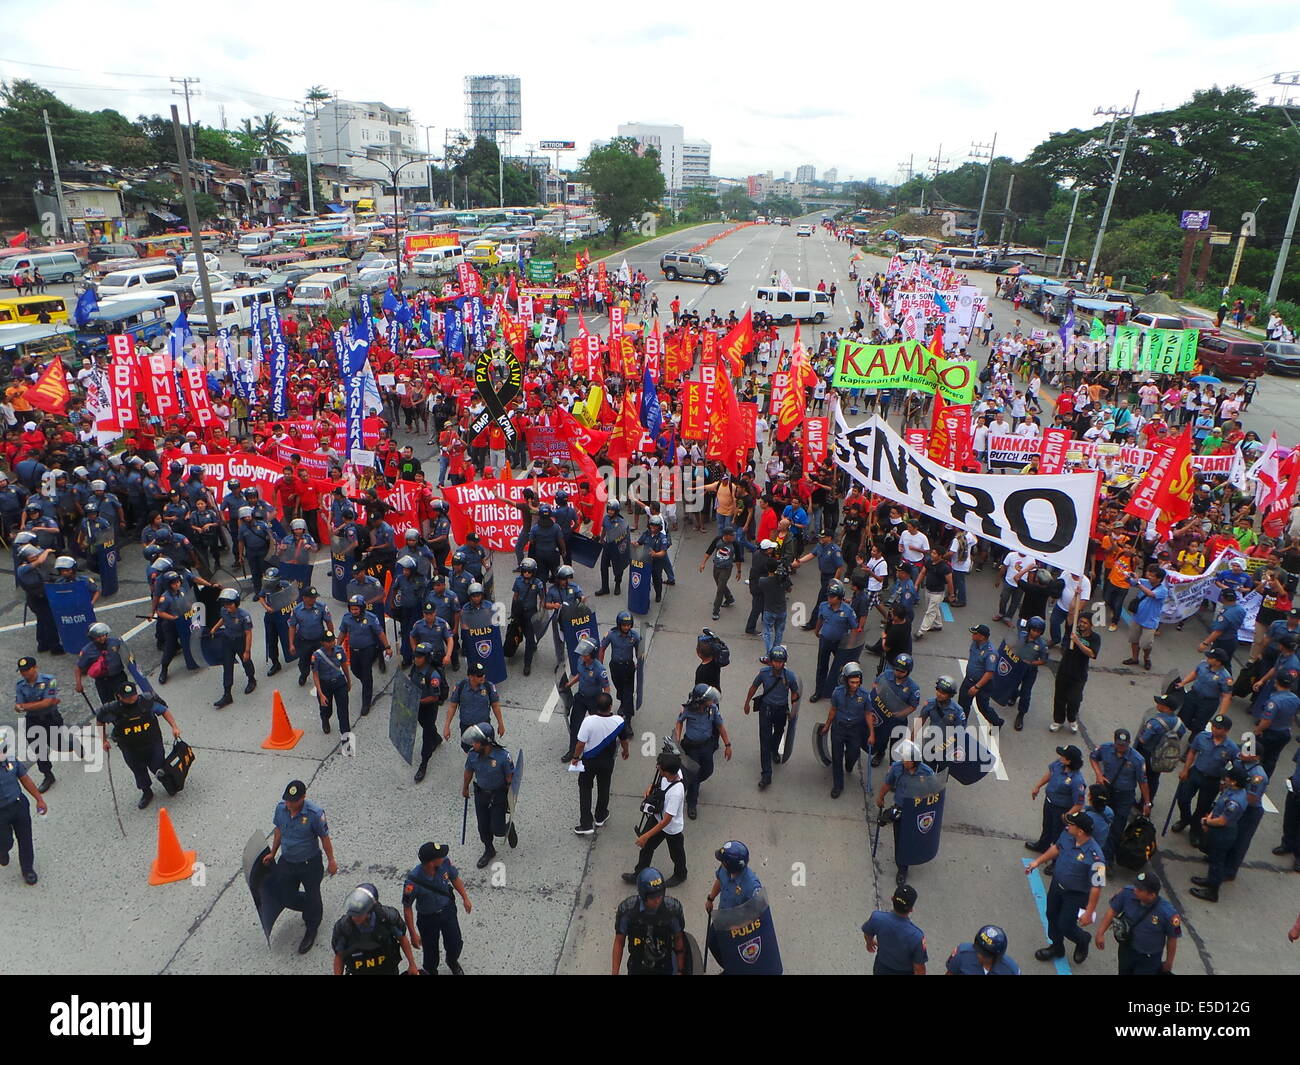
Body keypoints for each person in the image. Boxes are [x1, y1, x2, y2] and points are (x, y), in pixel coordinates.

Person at [262, 779, 337, 955]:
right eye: (287, 800)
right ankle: (312, 907)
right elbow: (279, 830)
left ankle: (312, 925)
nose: (289, 804)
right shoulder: (281, 809)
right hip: (287, 861)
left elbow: (324, 838)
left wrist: (331, 860)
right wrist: (273, 852)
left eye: (293, 801)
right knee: (286, 897)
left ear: (303, 797)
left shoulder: (314, 814)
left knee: (313, 893)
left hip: (309, 863)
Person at [1026, 810, 1105, 965]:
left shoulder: (1097, 858)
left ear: (1080, 831)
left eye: (1071, 824)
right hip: (1057, 886)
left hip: (1075, 894)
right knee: (1051, 914)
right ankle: (1057, 947)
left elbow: (1097, 887)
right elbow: (1057, 848)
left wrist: (1089, 912)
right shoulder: (1068, 834)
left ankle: (1083, 940)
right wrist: (1037, 862)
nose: (1068, 826)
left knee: (1066, 925)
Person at [95, 681, 181, 810]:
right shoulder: (113, 709)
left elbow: (164, 711)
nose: (131, 699)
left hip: (152, 743)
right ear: (119, 696)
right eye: (127, 697)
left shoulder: (147, 702)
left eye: (133, 695)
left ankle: (168, 783)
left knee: (159, 766)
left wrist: (174, 727)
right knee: (138, 770)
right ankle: (147, 792)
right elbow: (100, 720)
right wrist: (103, 740)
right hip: (130, 748)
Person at [402, 842, 472, 975]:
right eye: (440, 856)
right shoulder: (412, 881)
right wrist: (413, 934)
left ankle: (452, 961)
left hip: (447, 911)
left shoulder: (445, 863)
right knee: (430, 952)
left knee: (455, 943)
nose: (444, 856)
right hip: (428, 918)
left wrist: (465, 898)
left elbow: (455, 878)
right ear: (431, 862)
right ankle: (431, 971)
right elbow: (407, 908)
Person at [1171, 714, 1240, 847]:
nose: (1214, 729)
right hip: (1196, 772)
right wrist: (1185, 769)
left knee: (1202, 808)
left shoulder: (1231, 747)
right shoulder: (1202, 737)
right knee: (1183, 798)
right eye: (1213, 726)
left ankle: (1194, 830)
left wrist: (1224, 782)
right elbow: (1192, 751)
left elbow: (1234, 767)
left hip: (1212, 780)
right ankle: (1185, 819)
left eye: (1219, 728)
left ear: (1226, 731)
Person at [1094, 871, 1181, 975]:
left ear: (1152, 895)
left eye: (1140, 889)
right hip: (1127, 949)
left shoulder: (1169, 914)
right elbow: (1112, 911)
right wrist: (1100, 933)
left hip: (1149, 958)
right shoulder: (1126, 893)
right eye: (1136, 886)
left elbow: (1173, 938)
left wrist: (1169, 962)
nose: (1135, 890)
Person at [622, 750, 688, 886]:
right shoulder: (670, 774)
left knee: (676, 854)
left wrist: (645, 836)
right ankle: (639, 874)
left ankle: (680, 874)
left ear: (668, 772)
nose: (657, 767)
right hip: (658, 817)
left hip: (670, 828)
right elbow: (658, 783)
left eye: (660, 767)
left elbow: (667, 821)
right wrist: (650, 787)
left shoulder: (676, 793)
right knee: (646, 848)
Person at [743, 645, 801, 790]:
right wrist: (747, 703)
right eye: (775, 661)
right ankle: (766, 775)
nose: (777, 664)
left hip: (781, 709)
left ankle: (774, 749)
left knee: (779, 732)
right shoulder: (763, 673)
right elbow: (753, 687)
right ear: (770, 661)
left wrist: (793, 708)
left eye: (780, 662)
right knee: (764, 741)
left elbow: (795, 692)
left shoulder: (790, 676)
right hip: (766, 709)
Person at [1189, 766, 1249, 903]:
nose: (1225, 779)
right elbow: (1217, 807)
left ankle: (1212, 892)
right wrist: (1209, 819)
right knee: (1213, 858)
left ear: (1234, 782)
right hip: (1216, 827)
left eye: (1228, 777)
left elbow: (1222, 821)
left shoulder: (1235, 801)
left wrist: (1207, 822)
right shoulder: (1231, 790)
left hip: (1223, 833)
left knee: (1217, 862)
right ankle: (1209, 880)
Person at [572, 692, 630, 834]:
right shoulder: (619, 721)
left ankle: (585, 824)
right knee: (604, 788)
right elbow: (624, 740)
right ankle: (601, 815)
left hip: (588, 762)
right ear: (610, 706)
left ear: (596, 706)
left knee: (585, 790)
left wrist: (575, 757)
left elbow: (580, 744)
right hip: (607, 762)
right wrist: (625, 751)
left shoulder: (588, 721)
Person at [1090, 729, 1151, 862]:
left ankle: (1108, 860)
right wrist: (1099, 774)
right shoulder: (1106, 748)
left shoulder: (1137, 759)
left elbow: (1143, 782)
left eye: (1124, 745)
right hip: (1106, 790)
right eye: (1118, 744)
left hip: (1124, 796)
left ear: (1129, 743)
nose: (1121, 747)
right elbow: (1093, 757)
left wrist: (1147, 803)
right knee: (1098, 819)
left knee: (1117, 827)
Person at [612, 867, 687, 975]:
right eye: (652, 897)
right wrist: (615, 972)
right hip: (637, 966)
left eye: (660, 894)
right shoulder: (627, 912)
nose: (657, 900)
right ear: (643, 894)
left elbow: (679, 938)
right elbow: (619, 941)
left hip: (664, 966)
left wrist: (680, 970)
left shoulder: (673, 911)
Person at [330, 883, 417, 976]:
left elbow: (402, 939)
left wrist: (412, 964)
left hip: (387, 970)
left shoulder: (387, 919)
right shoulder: (344, 927)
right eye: (352, 914)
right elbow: (339, 956)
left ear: (369, 910)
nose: (354, 918)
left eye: (359, 914)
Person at [461, 722, 513, 869]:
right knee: (483, 827)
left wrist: (511, 798)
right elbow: (468, 772)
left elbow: (510, 778)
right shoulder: (472, 755)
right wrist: (465, 788)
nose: (473, 744)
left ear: (486, 743)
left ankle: (508, 827)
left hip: (498, 796)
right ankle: (489, 850)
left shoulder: (503, 757)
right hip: (481, 795)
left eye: (476, 742)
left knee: (498, 829)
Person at [673, 683, 730, 819]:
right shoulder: (688, 709)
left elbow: (720, 726)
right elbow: (679, 722)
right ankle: (692, 803)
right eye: (709, 699)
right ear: (701, 701)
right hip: (691, 747)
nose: (712, 701)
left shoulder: (713, 709)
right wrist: (677, 739)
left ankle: (692, 782)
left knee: (708, 770)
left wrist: (728, 744)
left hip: (706, 746)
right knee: (695, 775)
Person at [824, 661, 875, 799]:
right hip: (839, 729)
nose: (854, 685)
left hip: (855, 731)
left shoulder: (865, 695)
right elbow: (833, 710)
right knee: (837, 757)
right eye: (852, 682)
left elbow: (868, 714)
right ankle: (838, 785)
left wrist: (871, 733)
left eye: (857, 682)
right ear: (846, 681)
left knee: (853, 754)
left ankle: (849, 763)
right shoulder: (837, 693)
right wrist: (827, 725)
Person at [338, 594, 392, 718]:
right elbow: (342, 633)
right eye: (352, 609)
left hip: (368, 650)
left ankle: (366, 703)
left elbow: (380, 633)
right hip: (353, 650)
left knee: (366, 673)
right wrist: (337, 646)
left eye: (356, 609)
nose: (354, 611)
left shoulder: (371, 618)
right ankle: (367, 683)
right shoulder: (346, 618)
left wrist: (387, 647)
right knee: (355, 670)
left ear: (362, 608)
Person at [0, 747, 47, 884]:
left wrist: (39, 800)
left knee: (25, 838)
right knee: (5, 842)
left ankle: (27, 869)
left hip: (19, 805)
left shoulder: (11, 761)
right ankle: (2, 851)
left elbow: (25, 780)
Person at [14, 656, 61, 793]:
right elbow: (18, 705)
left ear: (35, 668)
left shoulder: (49, 680)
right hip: (33, 720)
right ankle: (48, 775)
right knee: (38, 748)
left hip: (50, 718)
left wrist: (26, 706)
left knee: (58, 744)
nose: (24, 673)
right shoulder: (20, 685)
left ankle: (75, 746)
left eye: (27, 670)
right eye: (22, 671)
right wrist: (27, 706)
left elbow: (48, 702)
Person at [1027, 745, 1086, 852]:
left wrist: (1066, 815)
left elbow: (1079, 803)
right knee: (1046, 826)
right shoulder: (1059, 764)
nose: (1060, 757)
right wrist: (1038, 786)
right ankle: (1042, 845)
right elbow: (1050, 773)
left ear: (1069, 761)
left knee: (1057, 835)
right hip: (1049, 802)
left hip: (1061, 810)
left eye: (1063, 756)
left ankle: (1055, 861)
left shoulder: (1077, 780)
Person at [559, 638, 609, 761]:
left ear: (592, 655)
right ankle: (572, 751)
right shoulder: (581, 661)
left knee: (597, 726)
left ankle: (601, 750)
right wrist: (570, 684)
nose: (582, 656)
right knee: (575, 725)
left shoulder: (600, 670)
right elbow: (580, 674)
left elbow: (606, 688)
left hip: (594, 701)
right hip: (581, 698)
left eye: (585, 654)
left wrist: (606, 707)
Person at [861, 883, 927, 975]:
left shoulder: (877, 918)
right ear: (911, 909)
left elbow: (867, 932)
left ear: (892, 899)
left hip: (881, 968)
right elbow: (919, 968)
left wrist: (869, 943)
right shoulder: (916, 937)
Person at [1051, 613, 1100, 732]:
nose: (1081, 624)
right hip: (1064, 670)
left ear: (1091, 625)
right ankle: (1058, 720)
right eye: (1081, 621)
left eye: (1085, 623)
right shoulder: (1073, 630)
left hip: (1079, 674)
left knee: (1074, 700)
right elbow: (1071, 613)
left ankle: (1072, 719)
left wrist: (1078, 642)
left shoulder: (1095, 638)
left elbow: (1092, 654)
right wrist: (1075, 595)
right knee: (1059, 698)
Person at [209, 587, 257, 708]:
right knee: (227, 666)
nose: (227, 607)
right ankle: (227, 694)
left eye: (229, 604)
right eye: (225, 604)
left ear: (236, 603)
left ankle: (251, 679)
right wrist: (215, 628)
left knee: (246, 661)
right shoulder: (224, 611)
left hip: (240, 641)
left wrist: (247, 650)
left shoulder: (244, 616)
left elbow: (248, 634)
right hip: (227, 641)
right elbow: (223, 620)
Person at [409, 643, 445, 782]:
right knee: (426, 726)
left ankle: (424, 763)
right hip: (417, 705)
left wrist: (418, 701)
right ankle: (436, 738)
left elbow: (435, 697)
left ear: (427, 658)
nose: (416, 659)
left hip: (429, 707)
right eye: (416, 656)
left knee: (426, 733)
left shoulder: (433, 675)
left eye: (420, 657)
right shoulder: (415, 668)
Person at [1122, 564, 1167, 672]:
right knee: (1134, 640)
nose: (1149, 577)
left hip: (1150, 621)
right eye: (1149, 574)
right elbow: (1130, 582)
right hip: (1137, 618)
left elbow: (1151, 594)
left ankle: (1146, 658)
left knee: (1146, 644)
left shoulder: (1163, 590)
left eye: (1152, 576)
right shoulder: (1144, 582)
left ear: (1159, 578)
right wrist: (1128, 576)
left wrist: (1138, 583)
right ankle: (1134, 658)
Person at [959, 624, 1004, 727]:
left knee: (983, 707)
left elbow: (989, 673)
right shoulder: (975, 643)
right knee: (962, 706)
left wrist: (976, 687)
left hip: (982, 685)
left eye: (975, 633)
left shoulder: (991, 653)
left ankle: (997, 722)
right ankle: (960, 727)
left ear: (982, 637)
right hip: (968, 680)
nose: (972, 635)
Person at [599, 611, 641, 720]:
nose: (626, 627)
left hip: (628, 668)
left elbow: (639, 651)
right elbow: (602, 648)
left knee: (628, 693)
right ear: (619, 624)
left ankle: (628, 719)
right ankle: (623, 702)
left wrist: (639, 663)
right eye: (624, 625)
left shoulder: (635, 636)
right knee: (620, 688)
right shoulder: (611, 635)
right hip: (615, 667)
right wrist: (600, 665)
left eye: (628, 625)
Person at [75, 622, 128, 705]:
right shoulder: (87, 651)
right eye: (98, 637)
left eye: (104, 635)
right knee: (108, 704)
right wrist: (78, 683)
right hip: (103, 681)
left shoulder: (115, 642)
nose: (102, 638)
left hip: (119, 677)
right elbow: (79, 667)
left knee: (126, 699)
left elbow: (128, 656)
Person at [288, 588, 332, 689]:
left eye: (315, 597)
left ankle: (324, 678)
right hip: (304, 641)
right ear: (304, 598)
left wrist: (331, 638)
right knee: (303, 662)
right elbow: (292, 626)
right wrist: (291, 644)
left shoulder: (322, 607)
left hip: (319, 640)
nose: (314, 600)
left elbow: (329, 622)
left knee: (322, 660)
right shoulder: (296, 610)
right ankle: (304, 674)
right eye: (311, 598)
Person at [311, 630, 351, 736]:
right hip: (325, 685)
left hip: (339, 683)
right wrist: (320, 694)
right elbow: (315, 675)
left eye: (333, 641)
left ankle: (345, 736)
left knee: (343, 712)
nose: (332, 643)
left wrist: (348, 681)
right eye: (329, 642)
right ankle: (325, 720)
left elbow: (344, 666)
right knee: (326, 710)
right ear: (323, 643)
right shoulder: (317, 656)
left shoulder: (339, 651)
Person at [699, 524, 742, 621]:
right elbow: (709, 551)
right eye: (732, 535)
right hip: (716, 566)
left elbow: (738, 559)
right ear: (726, 535)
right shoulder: (718, 539)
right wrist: (703, 563)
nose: (734, 537)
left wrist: (739, 571)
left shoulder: (735, 544)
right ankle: (729, 598)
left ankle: (716, 611)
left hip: (726, 569)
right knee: (720, 584)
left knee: (720, 590)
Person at [706, 840, 760, 914]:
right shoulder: (724, 868)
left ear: (731, 867)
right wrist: (710, 899)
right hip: (722, 915)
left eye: (723, 862)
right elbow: (719, 880)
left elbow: (757, 913)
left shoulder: (752, 887)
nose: (721, 863)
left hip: (738, 923)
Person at [945, 925, 1020, 975]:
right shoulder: (961, 954)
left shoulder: (1011, 970)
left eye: (986, 955)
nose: (980, 955)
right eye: (979, 950)